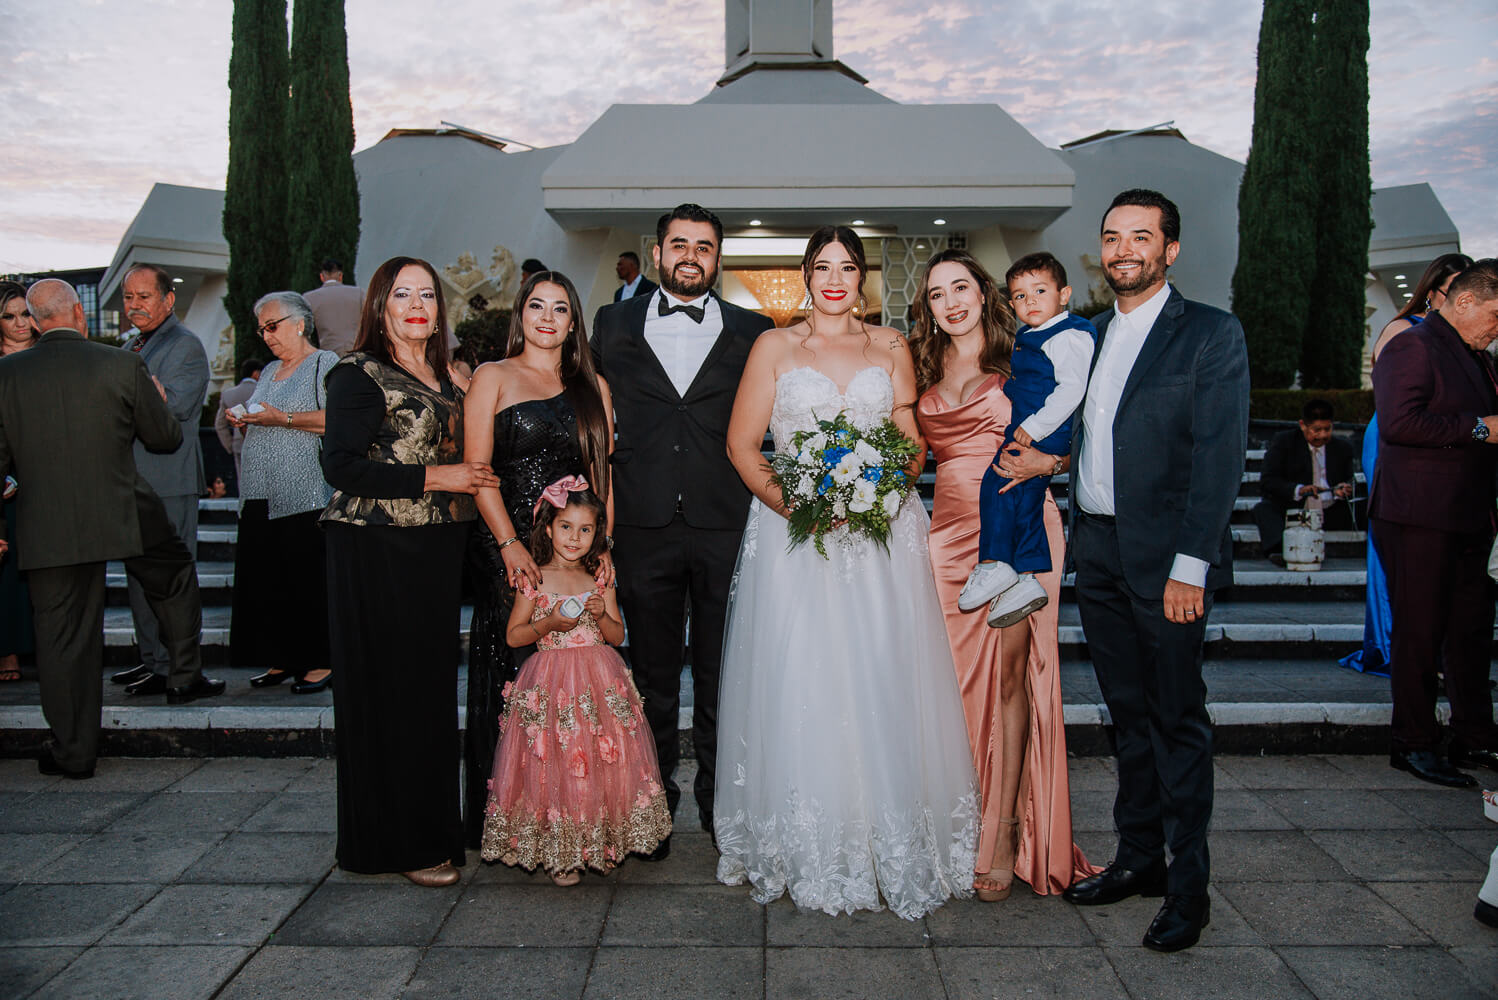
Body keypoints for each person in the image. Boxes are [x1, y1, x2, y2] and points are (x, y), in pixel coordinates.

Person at [716, 225, 978, 919]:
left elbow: (911, 441)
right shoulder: (774, 347)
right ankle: (806, 836)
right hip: (795, 539)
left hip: (879, 536)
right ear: (806, 274)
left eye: (846, 267)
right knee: (805, 674)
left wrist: (880, 494)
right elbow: (742, 446)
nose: (834, 279)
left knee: (882, 670)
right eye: (822, 266)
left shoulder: (889, 346)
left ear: (861, 276)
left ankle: (887, 833)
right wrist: (798, 505)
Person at [1060, 190, 1249, 953]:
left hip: (1169, 562)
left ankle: (1189, 890)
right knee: (1128, 718)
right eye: (1113, 237)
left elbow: (1219, 459)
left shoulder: (1209, 333)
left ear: (1170, 249)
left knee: (1176, 721)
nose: (1124, 250)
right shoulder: (1092, 334)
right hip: (1099, 554)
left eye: (1141, 236)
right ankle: (1139, 858)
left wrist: (1190, 567)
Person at [912, 249, 1098, 902]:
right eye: (937, 294)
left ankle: (1004, 836)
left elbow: (1082, 424)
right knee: (952, 684)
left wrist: (1050, 465)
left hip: (1018, 529)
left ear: (984, 293)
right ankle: (954, 824)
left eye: (960, 287)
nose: (950, 302)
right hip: (946, 540)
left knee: (1011, 679)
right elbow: (908, 456)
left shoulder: (1023, 351)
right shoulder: (921, 366)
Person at [590, 204, 774, 859]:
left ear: (718, 257)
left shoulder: (755, 331)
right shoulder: (612, 323)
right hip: (642, 526)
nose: (690, 255)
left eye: (703, 246)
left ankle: (723, 808)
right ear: (658, 252)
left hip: (727, 522)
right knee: (652, 678)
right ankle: (652, 808)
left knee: (726, 675)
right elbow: (589, 412)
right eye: (679, 244)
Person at [320, 255, 497, 886]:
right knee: (395, 695)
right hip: (376, 550)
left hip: (434, 551)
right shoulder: (358, 374)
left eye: (427, 294)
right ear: (380, 306)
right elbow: (340, 466)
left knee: (426, 694)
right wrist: (438, 476)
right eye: (402, 294)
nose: (417, 305)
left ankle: (423, 832)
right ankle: (404, 843)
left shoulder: (447, 375)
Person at [0, 280, 213, 777]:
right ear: (79, 312)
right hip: (124, 507)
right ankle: (184, 674)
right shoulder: (121, 363)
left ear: (35, 321)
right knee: (174, 576)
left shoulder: (6, 374)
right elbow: (163, 436)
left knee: (61, 638)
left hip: (47, 519)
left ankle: (74, 752)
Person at [462, 269, 614, 849]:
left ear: (573, 322)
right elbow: (478, 473)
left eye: (560, 308)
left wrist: (605, 549)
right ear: (520, 314)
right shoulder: (492, 376)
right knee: (513, 678)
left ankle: (573, 822)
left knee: (572, 692)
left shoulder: (594, 388)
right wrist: (510, 544)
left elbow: (602, 480)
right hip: (509, 548)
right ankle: (514, 823)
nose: (547, 318)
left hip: (574, 550)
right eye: (536, 306)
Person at [480, 479, 670, 884]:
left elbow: (617, 635)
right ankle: (562, 851)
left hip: (599, 683)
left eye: (585, 530)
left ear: (597, 534)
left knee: (602, 762)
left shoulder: (600, 577)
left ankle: (602, 841)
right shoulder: (534, 578)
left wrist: (601, 615)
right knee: (558, 765)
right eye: (566, 527)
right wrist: (548, 623)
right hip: (552, 685)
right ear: (548, 527)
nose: (574, 538)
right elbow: (514, 635)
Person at [1370, 258, 1498, 789]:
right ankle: (1413, 743)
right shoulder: (1412, 345)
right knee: (1420, 633)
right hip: (1417, 516)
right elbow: (1400, 423)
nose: (1497, 329)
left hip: (1470, 516)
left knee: (1470, 633)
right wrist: (1480, 429)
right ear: (1464, 301)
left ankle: (1474, 735)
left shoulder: (1478, 356)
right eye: (1496, 315)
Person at [1342, 253, 1473, 676]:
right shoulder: (1403, 329)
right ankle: (1389, 644)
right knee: (1394, 539)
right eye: (1453, 290)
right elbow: (1394, 400)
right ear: (1432, 292)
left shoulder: (1467, 340)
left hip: (1444, 446)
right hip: (1392, 439)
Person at [958, 252, 1095, 627]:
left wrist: (1035, 427)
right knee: (1025, 500)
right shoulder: (1033, 334)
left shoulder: (1068, 335)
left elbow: (1072, 391)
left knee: (997, 485)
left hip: (1043, 433)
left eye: (1039, 291)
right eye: (1020, 295)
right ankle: (1025, 578)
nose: (1029, 301)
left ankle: (995, 564)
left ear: (1064, 294)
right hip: (1034, 429)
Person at [227, 292, 337, 693]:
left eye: (272, 326)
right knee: (268, 578)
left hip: (303, 489)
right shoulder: (271, 369)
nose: (266, 336)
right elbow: (266, 416)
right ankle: (282, 657)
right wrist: (246, 419)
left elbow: (336, 420)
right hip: (260, 490)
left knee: (305, 577)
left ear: (300, 324)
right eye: (262, 329)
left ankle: (320, 660)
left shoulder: (324, 363)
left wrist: (281, 418)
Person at [112, 264, 211, 697]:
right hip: (132, 481)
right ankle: (153, 661)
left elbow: (171, 408)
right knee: (139, 580)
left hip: (168, 479)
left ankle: (179, 667)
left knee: (174, 581)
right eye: (128, 297)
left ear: (168, 300)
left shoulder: (185, 345)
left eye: (144, 296)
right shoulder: (131, 345)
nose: (134, 305)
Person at [1253, 398, 1361, 565]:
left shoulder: (1342, 447)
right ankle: (1279, 550)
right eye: (1316, 430)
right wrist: (1299, 489)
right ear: (1303, 425)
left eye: (1327, 429)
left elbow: (1349, 480)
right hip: (1296, 509)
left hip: (1330, 509)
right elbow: (1268, 481)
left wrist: (1343, 489)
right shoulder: (1284, 442)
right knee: (1264, 509)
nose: (1322, 435)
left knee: (1367, 507)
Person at [0, 281, 36, 681]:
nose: (20, 323)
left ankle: (43, 647)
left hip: (45, 475)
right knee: (6, 567)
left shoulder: (49, 357)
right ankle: (7, 649)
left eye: (26, 313)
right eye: (9, 316)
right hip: (3, 480)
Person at [214, 358, 264, 485]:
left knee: (243, 484)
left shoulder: (228, 394)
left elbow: (220, 424)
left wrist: (230, 445)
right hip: (264, 443)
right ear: (256, 373)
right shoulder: (264, 390)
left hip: (239, 444)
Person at [302, 258, 364, 357]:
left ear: (322, 276)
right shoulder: (359, 293)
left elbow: (305, 331)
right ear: (340, 276)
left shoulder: (309, 297)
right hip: (356, 351)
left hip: (328, 354)